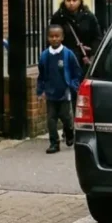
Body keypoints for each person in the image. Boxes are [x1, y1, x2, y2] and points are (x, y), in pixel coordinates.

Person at [36, 25, 83, 154]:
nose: (54, 39)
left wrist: (74, 84)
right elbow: (41, 75)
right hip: (51, 93)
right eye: (51, 36)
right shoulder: (45, 56)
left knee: (66, 118)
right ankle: (54, 143)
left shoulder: (68, 54)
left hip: (65, 93)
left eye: (57, 36)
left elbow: (76, 71)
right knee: (51, 120)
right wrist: (40, 91)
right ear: (47, 38)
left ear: (62, 37)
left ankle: (69, 134)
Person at [50, 0, 102, 69]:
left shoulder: (88, 16)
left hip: (84, 59)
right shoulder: (58, 17)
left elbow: (97, 37)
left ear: (80, 1)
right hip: (65, 58)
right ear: (64, 1)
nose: (71, 3)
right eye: (68, 0)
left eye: (74, 0)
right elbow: (52, 37)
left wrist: (91, 51)